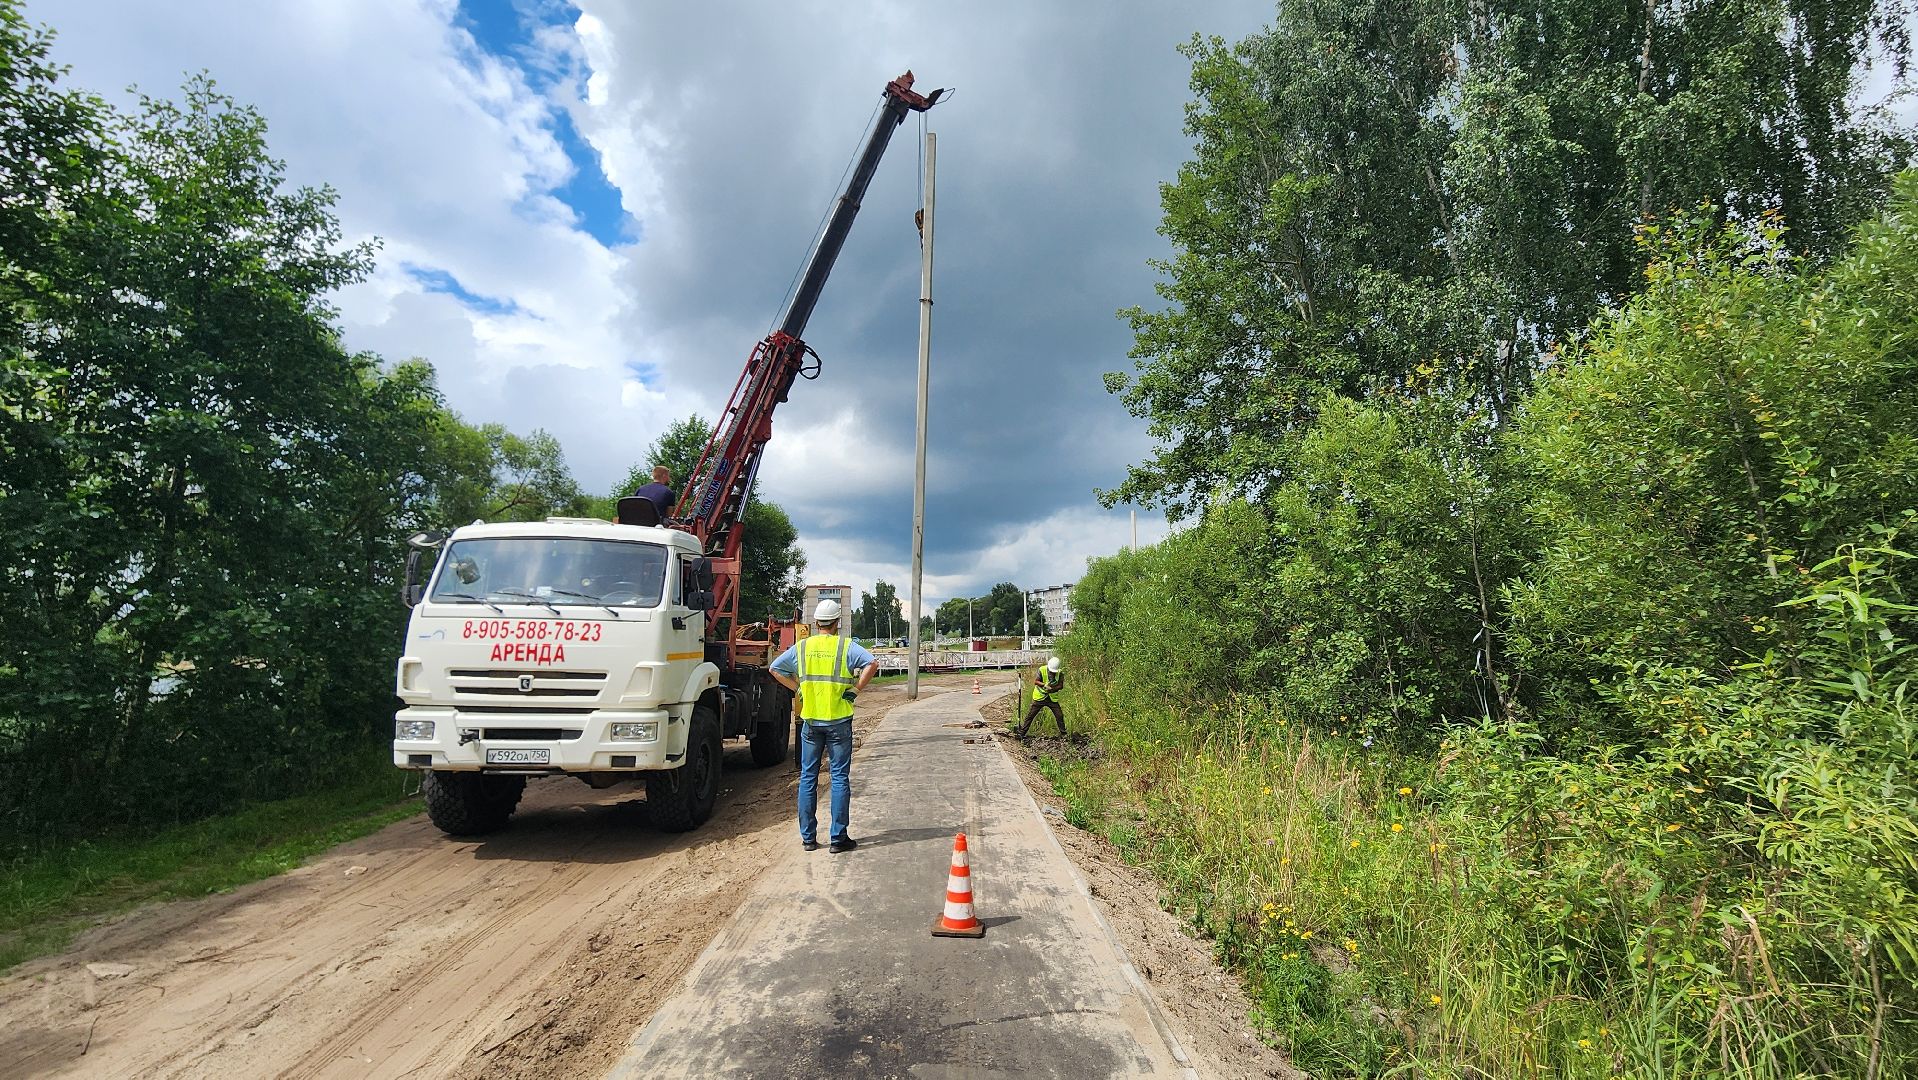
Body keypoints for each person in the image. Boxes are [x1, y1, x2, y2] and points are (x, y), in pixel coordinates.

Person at [768, 600, 876, 852]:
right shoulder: (846, 647)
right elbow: (872, 664)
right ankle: (838, 838)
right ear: (837, 622)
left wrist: (797, 688)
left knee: (808, 777)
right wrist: (856, 689)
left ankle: (808, 838)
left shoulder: (803, 647)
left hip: (811, 722)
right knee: (839, 778)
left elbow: (774, 668)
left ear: (816, 623)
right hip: (839, 721)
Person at [1015, 656, 1066, 738]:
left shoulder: (1060, 673)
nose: (1053, 673)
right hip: (1040, 697)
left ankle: (1064, 734)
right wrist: (1044, 685)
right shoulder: (1042, 670)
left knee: (1059, 715)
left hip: (1052, 698)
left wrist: (1053, 689)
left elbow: (1061, 686)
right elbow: (1036, 681)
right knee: (1031, 715)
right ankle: (1022, 733)